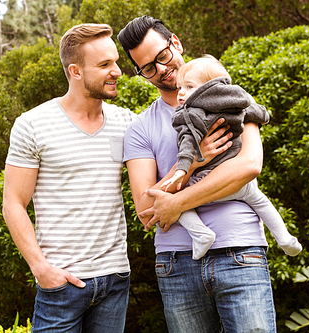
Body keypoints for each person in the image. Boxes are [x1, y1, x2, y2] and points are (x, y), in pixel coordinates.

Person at [118, 16, 278, 332]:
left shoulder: (232, 98)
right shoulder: (139, 129)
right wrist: (193, 162)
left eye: (162, 57)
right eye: (148, 68)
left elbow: (248, 166)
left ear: (175, 43)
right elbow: (147, 210)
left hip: (241, 253)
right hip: (176, 264)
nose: (161, 69)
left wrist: (176, 202)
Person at [2, 23, 134, 333]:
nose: (117, 71)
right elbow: (13, 203)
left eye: (115, 61)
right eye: (104, 65)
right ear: (75, 71)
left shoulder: (127, 123)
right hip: (61, 286)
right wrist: (42, 270)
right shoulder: (33, 125)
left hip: (115, 280)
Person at [161, 55, 302, 259]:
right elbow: (258, 113)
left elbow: (188, 143)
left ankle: (201, 235)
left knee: (175, 204)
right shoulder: (237, 103)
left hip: (209, 181)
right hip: (239, 183)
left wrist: (182, 169)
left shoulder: (192, 114)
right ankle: (285, 239)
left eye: (189, 87)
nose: (181, 93)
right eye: (180, 87)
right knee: (262, 202)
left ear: (209, 88)